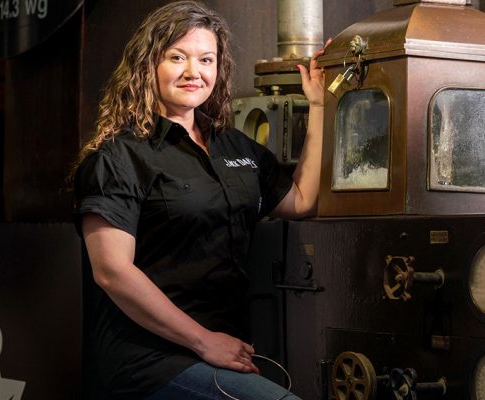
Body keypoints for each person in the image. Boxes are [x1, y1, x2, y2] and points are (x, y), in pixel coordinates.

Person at [72, 1, 325, 399]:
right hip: (150, 361)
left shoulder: (233, 145)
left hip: (224, 349)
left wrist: (320, 107)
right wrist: (204, 341)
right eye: (177, 57)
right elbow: (112, 271)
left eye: (206, 59)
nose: (194, 72)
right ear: (148, 66)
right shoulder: (118, 157)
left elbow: (302, 200)